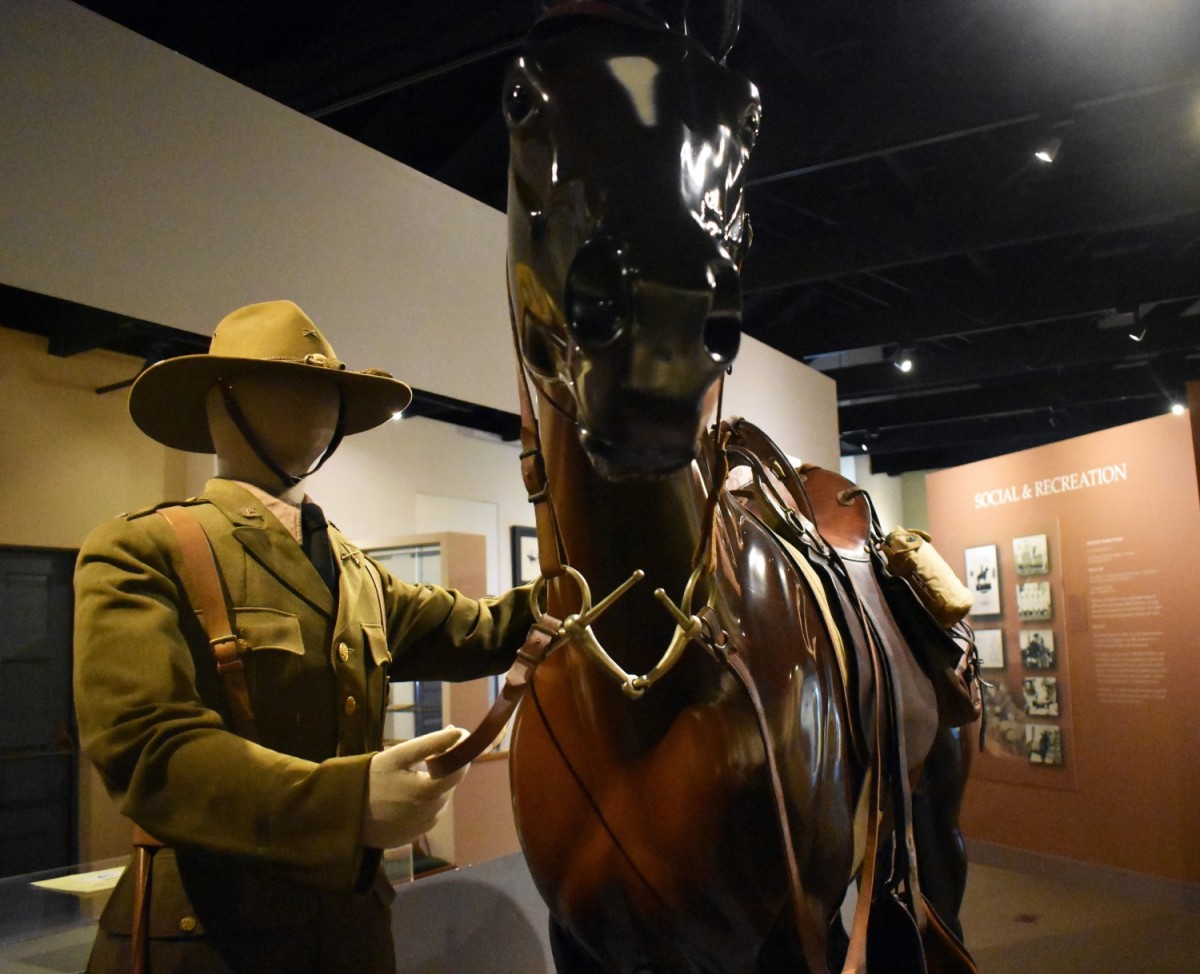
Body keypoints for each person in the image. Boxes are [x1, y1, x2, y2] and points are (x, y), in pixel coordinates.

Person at [73, 300, 535, 973]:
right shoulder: (145, 549)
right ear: (224, 402)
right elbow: (149, 749)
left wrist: (589, 567)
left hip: (350, 935)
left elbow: (483, 631)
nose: (323, 405)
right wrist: (351, 804)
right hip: (213, 939)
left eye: (333, 390)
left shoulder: (352, 569)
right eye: (294, 384)